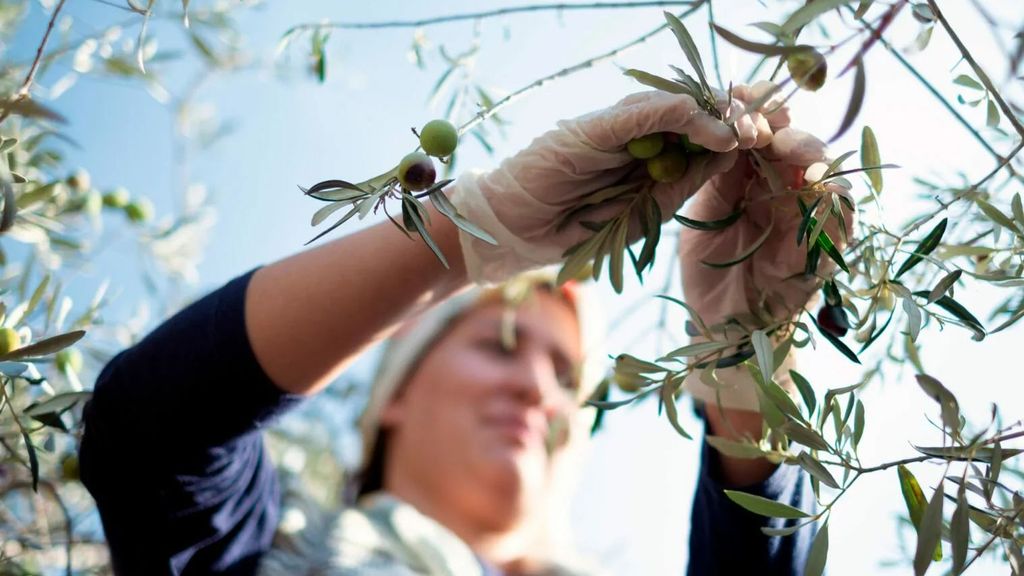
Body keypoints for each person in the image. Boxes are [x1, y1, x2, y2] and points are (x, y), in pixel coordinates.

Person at [79, 81, 846, 575]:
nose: (535, 387)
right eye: (502, 344)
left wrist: (744, 370)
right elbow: (150, 436)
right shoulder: (270, 554)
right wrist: (466, 235)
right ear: (397, 393)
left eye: (566, 379)